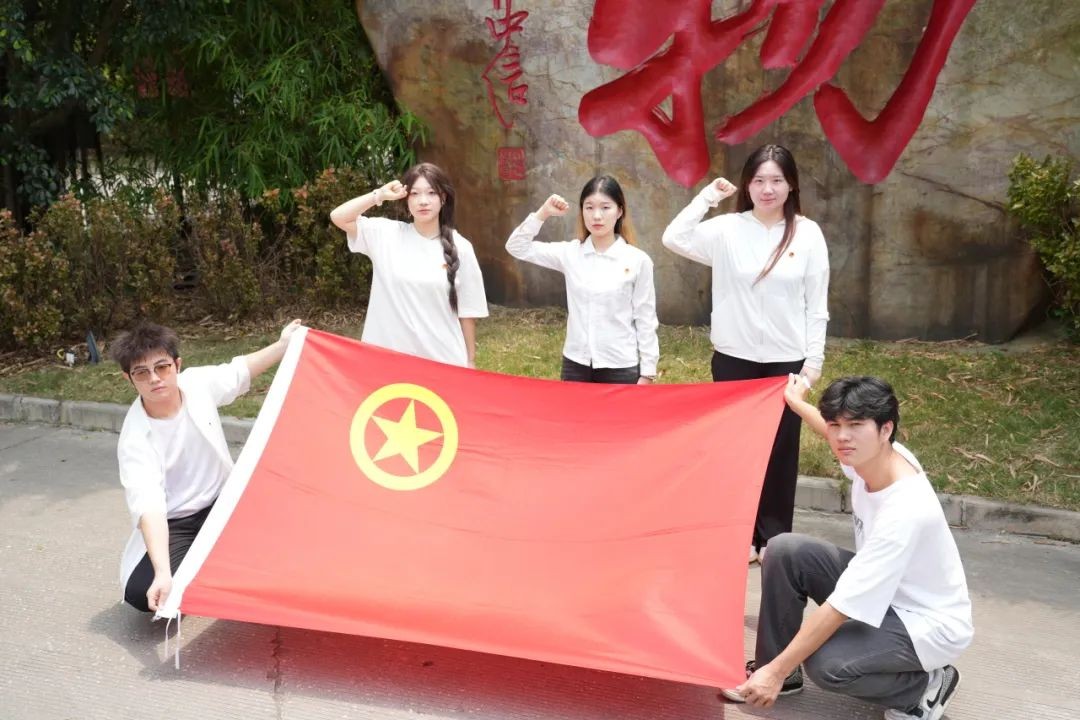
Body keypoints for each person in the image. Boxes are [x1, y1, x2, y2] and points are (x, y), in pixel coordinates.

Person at [722, 375, 973, 720]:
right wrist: (797, 403)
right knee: (785, 550)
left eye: (855, 425)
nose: (842, 437)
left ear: (885, 429)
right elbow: (833, 430)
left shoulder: (905, 510)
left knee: (828, 664)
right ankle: (777, 672)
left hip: (927, 623)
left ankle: (924, 688)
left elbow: (842, 606)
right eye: (836, 425)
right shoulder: (874, 457)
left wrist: (776, 671)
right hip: (888, 595)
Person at [661, 144, 829, 563]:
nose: (767, 189)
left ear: (791, 185)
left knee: (780, 451)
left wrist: (812, 365)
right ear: (747, 185)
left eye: (776, 180)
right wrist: (707, 197)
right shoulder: (726, 230)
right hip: (734, 358)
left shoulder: (807, 233)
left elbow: (817, 304)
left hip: (786, 362)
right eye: (759, 180)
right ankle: (738, 534)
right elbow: (673, 237)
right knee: (734, 450)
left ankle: (774, 539)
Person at [113, 319, 302, 612]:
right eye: (142, 372)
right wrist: (162, 572)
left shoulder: (196, 384)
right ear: (129, 379)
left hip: (223, 504)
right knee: (141, 592)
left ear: (177, 365)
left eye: (162, 367)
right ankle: (213, 557)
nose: (155, 379)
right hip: (177, 522)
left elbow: (239, 371)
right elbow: (149, 508)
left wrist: (283, 345)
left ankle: (219, 556)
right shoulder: (135, 439)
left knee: (287, 526)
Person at [330, 162, 488, 368]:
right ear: (405, 199)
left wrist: (470, 361)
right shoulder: (385, 235)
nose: (423, 201)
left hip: (442, 361)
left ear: (443, 198)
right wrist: (379, 195)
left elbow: (467, 313)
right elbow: (339, 217)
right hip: (386, 362)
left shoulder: (461, 247)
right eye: (414, 194)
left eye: (431, 193)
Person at [505, 176, 659, 384]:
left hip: (620, 366)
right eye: (589, 207)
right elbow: (516, 247)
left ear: (619, 211)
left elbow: (645, 318)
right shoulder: (571, 253)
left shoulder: (638, 261)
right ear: (582, 211)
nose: (597, 216)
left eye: (605, 207)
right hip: (575, 365)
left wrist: (647, 372)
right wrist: (543, 213)